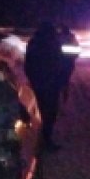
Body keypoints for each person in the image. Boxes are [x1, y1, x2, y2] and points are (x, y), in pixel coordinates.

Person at [24, 21, 65, 150]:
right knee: (49, 114)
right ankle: (45, 141)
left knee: (39, 114)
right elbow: (60, 64)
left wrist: (32, 79)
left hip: (38, 84)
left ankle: (38, 141)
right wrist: (62, 82)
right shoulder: (54, 44)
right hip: (51, 85)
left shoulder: (33, 43)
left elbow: (28, 64)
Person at [57, 24, 79, 104]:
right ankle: (64, 96)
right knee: (66, 79)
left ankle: (60, 96)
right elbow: (77, 51)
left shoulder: (59, 38)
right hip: (69, 62)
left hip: (60, 62)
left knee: (59, 79)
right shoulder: (72, 38)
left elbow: (54, 50)